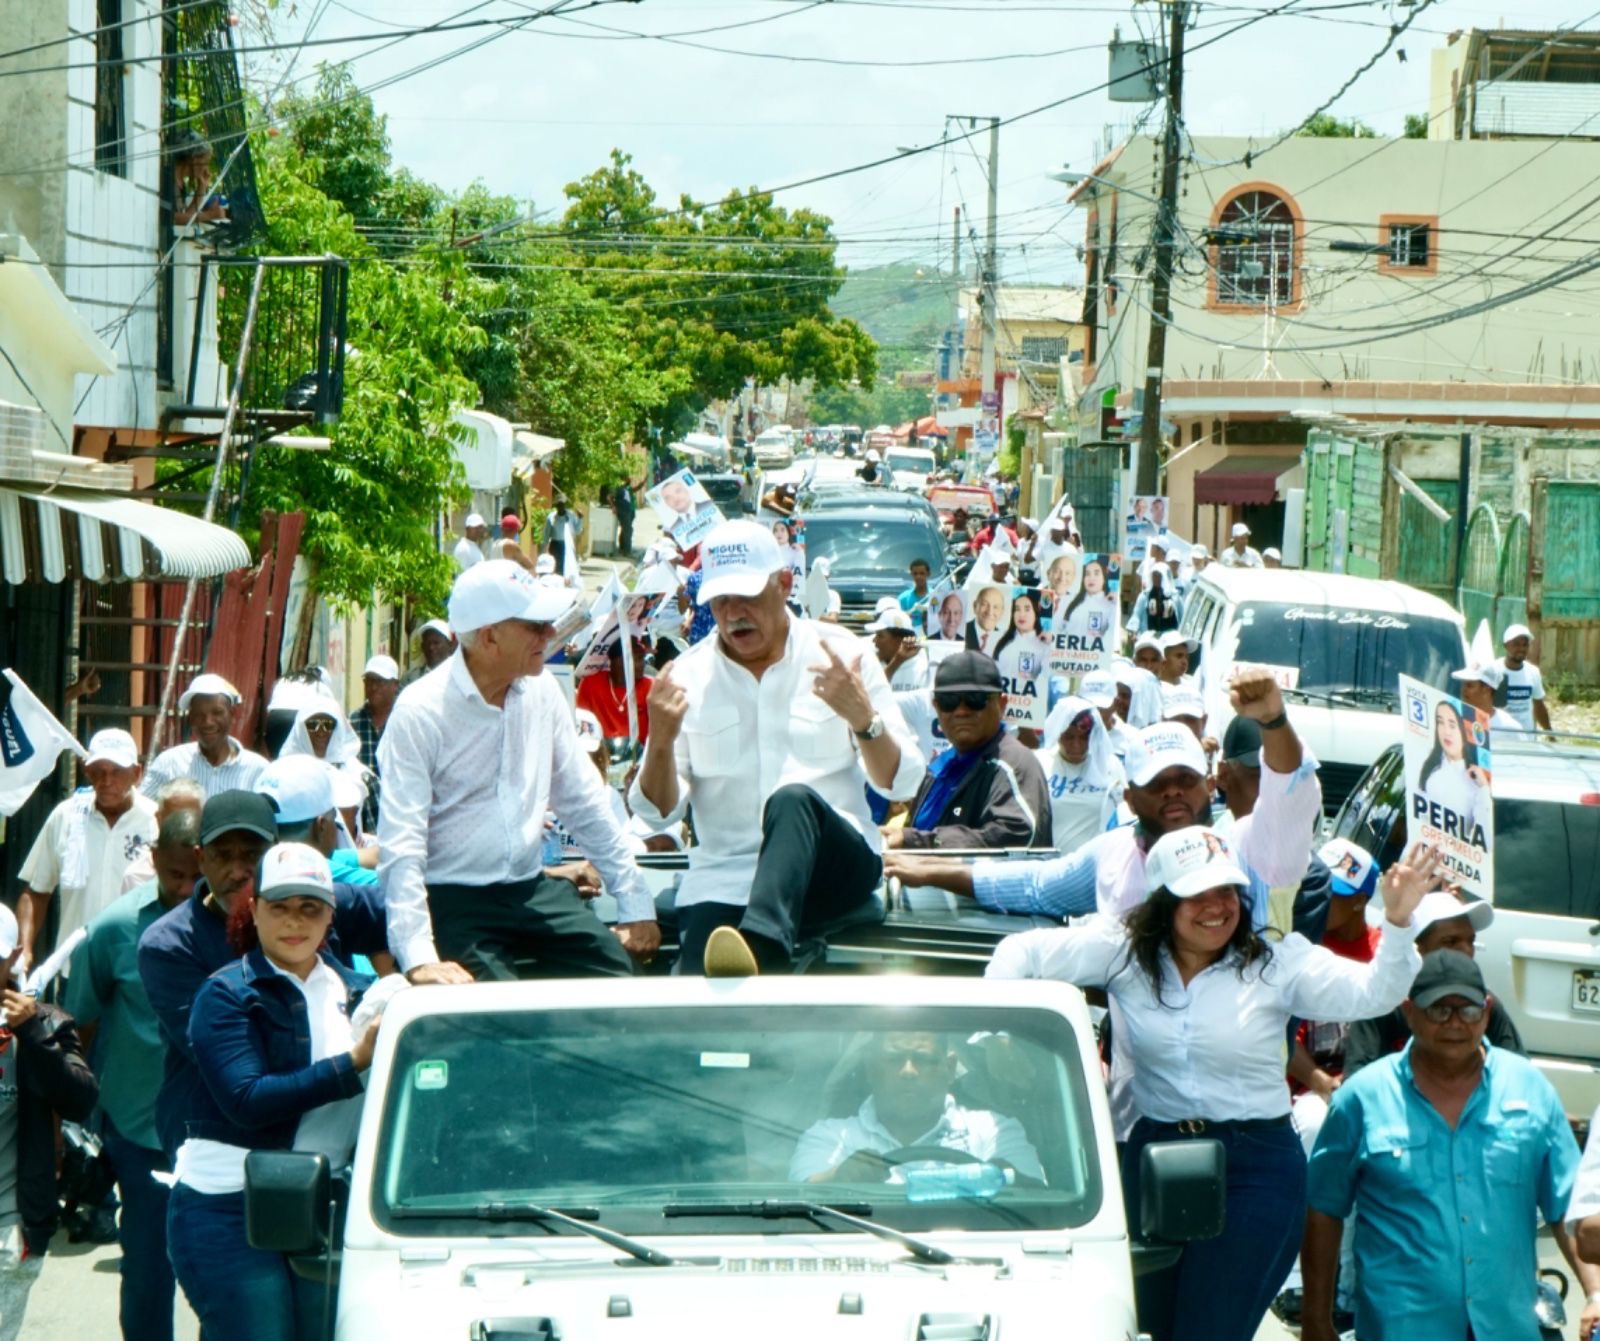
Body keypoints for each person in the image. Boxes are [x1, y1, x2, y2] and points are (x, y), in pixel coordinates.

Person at [987, 828, 1429, 1341]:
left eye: (1226, 891)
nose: (1216, 907)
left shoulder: (1277, 964)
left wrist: (1398, 922)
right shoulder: (1122, 952)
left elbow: (1376, 992)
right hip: (1156, 1159)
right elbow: (1020, 952)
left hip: (1256, 1168)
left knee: (1209, 1331)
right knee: (1146, 1325)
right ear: (1163, 901)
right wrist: (999, 1031)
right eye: (1197, 893)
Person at [631, 520, 925, 975]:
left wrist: (863, 720)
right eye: (720, 600)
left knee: (792, 800)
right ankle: (754, 946)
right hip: (725, 883)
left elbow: (902, 784)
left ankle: (761, 949)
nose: (733, 613)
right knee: (694, 1004)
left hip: (833, 872)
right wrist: (661, 743)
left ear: (785, 584)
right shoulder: (686, 678)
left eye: (746, 596)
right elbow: (657, 813)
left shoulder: (842, 657)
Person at [379, 561, 659, 984]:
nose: (550, 634)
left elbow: (582, 800)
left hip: (530, 890)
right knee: (493, 1008)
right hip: (454, 899)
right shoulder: (420, 711)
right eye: (535, 626)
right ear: (489, 636)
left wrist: (635, 903)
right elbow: (402, 843)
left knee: (620, 981)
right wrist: (418, 955)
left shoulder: (542, 692)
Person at [883, 669, 1321, 930]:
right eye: (1156, 782)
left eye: (1185, 779)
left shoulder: (1250, 847)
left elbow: (1287, 793)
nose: (1172, 791)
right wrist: (930, 870)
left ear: (1209, 785)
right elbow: (1035, 886)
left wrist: (1273, 721)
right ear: (1130, 796)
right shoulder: (1114, 855)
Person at [1302, 949, 1580, 1341]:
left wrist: (1596, 1293)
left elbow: (1568, 1207)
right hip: (1400, 1329)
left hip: (1505, 1327)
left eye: (1467, 1010)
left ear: (1486, 1012)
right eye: (1438, 1010)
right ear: (1409, 1011)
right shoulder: (1361, 1098)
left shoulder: (1531, 1088)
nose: (1454, 1023)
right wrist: (1316, 1320)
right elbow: (1322, 1209)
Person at [167, 843, 379, 1341]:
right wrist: (353, 1063)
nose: (294, 921)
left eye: (310, 907)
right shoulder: (225, 993)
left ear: (330, 915)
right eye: (279, 906)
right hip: (227, 1205)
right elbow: (247, 1100)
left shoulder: (362, 995)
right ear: (254, 910)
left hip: (325, 1204)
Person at [65, 808, 201, 1341]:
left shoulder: (241, 926)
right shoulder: (113, 928)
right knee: (147, 1266)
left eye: (196, 876)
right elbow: (80, 1023)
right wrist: (80, 1117)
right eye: (174, 875)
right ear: (153, 858)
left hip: (219, 1127)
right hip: (139, 1129)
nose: (186, 889)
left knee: (224, 1269)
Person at [0, 901, 98, 1341]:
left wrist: (33, 1036)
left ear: (14, 956)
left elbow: (80, 1101)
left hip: (10, 1227)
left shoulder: (45, 1024)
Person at [788, 1031, 1045, 1184]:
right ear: (870, 1068)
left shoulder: (993, 1131)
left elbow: (1037, 1198)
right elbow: (800, 1200)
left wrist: (1000, 1176)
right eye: (894, 1059)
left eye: (923, 1059)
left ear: (950, 1068)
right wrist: (840, 1177)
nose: (908, 1071)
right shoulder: (830, 1136)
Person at [17, 728, 158, 973]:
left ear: (137, 773)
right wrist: (25, 949)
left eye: (117, 771)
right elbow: (36, 892)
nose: (106, 781)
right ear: (86, 771)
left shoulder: (155, 821)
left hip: (134, 971)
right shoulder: (66, 817)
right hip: (75, 969)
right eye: (98, 771)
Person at [886, 652, 1050, 853]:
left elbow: (1017, 834)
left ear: (1001, 705)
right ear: (936, 707)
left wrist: (916, 841)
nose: (961, 711)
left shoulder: (1013, 763)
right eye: (949, 701)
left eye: (975, 699)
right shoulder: (939, 767)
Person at [142, 673, 269, 801]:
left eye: (217, 713)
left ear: (232, 715)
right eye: (199, 714)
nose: (208, 722)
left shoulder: (258, 770)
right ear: (190, 719)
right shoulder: (169, 763)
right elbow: (142, 808)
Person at [1035, 695, 1124, 856]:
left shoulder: (1109, 765)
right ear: (1057, 732)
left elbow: (1123, 814)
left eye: (1084, 738)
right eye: (1068, 737)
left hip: (1095, 863)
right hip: (1049, 864)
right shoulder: (1039, 763)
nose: (1076, 745)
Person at [1419, 696, 1492, 836]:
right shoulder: (1429, 767)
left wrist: (1484, 789)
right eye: (1440, 722)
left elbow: (1485, 838)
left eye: (1452, 725)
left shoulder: (1476, 783)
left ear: (1464, 732)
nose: (1446, 732)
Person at [120, 778, 205, 894]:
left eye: (189, 817)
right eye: (174, 819)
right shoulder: (137, 877)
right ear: (158, 819)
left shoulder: (215, 872)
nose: (182, 825)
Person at [350, 653, 398, 835]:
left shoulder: (405, 719)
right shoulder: (353, 722)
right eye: (369, 681)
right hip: (365, 816)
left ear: (395, 685)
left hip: (398, 810)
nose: (373, 687)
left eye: (380, 681)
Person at [576, 637, 653, 743]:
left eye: (643, 658)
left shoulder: (650, 686)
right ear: (620, 661)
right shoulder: (590, 683)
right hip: (601, 749)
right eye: (639, 658)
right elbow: (583, 725)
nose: (643, 664)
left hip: (640, 750)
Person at [1497, 623, 1552, 731]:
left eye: (1525, 645)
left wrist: (1550, 733)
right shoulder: (1494, 670)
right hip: (1501, 735)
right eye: (1516, 644)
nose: (1521, 649)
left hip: (1526, 736)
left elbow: (1538, 705)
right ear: (1506, 645)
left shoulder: (1533, 672)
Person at [1060, 555, 1119, 647]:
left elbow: (1112, 637)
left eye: (1096, 573)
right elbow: (1061, 628)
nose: (1091, 578)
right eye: (1087, 574)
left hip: (1093, 653)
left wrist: (1101, 640)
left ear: (1104, 578)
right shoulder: (1071, 600)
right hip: (1067, 651)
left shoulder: (1111, 606)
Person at [865, 609, 929, 690]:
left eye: (880, 636)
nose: (874, 640)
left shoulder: (924, 672)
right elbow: (870, 694)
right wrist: (896, 662)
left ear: (899, 641)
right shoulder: (872, 666)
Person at [1451, 662, 1522, 732]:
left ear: (1486, 688)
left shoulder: (1509, 728)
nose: (1463, 690)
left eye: (1469, 685)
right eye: (1463, 685)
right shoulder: (1453, 720)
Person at [1127, 567, 1183, 635]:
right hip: (1149, 635)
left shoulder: (1175, 596)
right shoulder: (1145, 596)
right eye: (1154, 575)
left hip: (1170, 636)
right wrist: (1133, 630)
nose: (1156, 578)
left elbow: (1182, 617)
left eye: (1159, 575)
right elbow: (1136, 614)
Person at [964, 583, 1009, 655]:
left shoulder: (1004, 641)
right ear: (975, 606)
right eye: (984, 604)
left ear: (1002, 612)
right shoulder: (962, 631)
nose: (990, 612)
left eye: (996, 607)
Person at [545, 494, 583, 575]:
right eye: (559, 505)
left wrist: (580, 519)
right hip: (555, 545)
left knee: (566, 567)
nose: (561, 507)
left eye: (562, 504)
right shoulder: (551, 517)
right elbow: (546, 534)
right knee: (555, 567)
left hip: (567, 544)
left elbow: (577, 531)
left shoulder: (571, 515)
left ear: (565, 505)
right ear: (556, 506)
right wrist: (543, 550)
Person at [896, 558, 933, 632]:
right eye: (915, 574)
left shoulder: (936, 597)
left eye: (922, 573)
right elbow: (897, 622)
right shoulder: (903, 598)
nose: (918, 577)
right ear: (911, 574)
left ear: (928, 574)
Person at [771, 518, 806, 587]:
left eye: (782, 530)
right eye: (776, 530)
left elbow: (799, 573)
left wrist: (800, 551)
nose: (779, 533)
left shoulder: (795, 552)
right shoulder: (769, 551)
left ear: (788, 533)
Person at [612, 479, 637, 556]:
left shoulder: (625, 489)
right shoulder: (619, 488)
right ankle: (627, 551)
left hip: (626, 511)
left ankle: (624, 549)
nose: (629, 480)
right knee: (628, 530)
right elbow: (609, 497)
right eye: (627, 478)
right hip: (622, 511)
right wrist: (613, 507)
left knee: (627, 530)